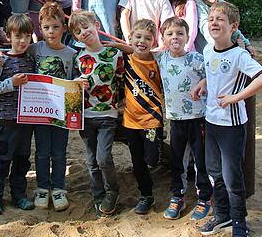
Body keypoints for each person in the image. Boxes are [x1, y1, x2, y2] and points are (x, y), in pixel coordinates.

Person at [191, 1, 262, 236]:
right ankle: (222, 216)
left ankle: (239, 223)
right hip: (212, 121)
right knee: (214, 173)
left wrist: (237, 97)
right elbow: (214, 72)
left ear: (233, 26)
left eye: (221, 19)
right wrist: (203, 83)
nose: (214, 23)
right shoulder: (207, 50)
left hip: (232, 125)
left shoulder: (239, 54)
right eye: (211, 19)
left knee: (232, 176)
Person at [69, 11, 125, 215]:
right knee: (91, 160)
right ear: (75, 37)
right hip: (86, 115)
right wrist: (75, 84)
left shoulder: (114, 54)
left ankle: (112, 190)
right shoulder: (78, 58)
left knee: (103, 158)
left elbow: (121, 81)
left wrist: (122, 105)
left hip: (108, 115)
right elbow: (70, 87)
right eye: (78, 31)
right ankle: (98, 193)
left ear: (97, 25)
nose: (83, 32)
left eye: (86, 27)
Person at [157, 17, 212, 221]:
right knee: (177, 160)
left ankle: (205, 198)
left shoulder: (197, 58)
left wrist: (205, 82)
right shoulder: (161, 59)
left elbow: (212, 75)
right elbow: (136, 50)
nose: (175, 37)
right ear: (162, 38)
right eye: (170, 34)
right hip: (176, 120)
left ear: (188, 37)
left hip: (198, 119)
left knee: (201, 161)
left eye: (180, 33)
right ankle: (178, 196)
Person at [0, 14, 37, 215]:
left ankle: (19, 195)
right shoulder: (1, 60)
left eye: (27, 36)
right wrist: (11, 84)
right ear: (8, 36)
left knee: (22, 159)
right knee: (1, 160)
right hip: (6, 120)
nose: (22, 41)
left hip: (26, 119)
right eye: (18, 36)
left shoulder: (32, 58)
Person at [30, 2, 76, 211]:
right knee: (41, 151)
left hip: (62, 112)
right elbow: (11, 51)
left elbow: (76, 80)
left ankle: (58, 187)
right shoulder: (35, 49)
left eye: (56, 27)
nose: (51, 32)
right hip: (39, 110)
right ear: (40, 28)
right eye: (46, 27)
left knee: (59, 151)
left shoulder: (71, 54)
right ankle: (42, 187)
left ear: (63, 28)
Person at [118, 19, 165, 215]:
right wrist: (116, 45)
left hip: (152, 119)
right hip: (131, 120)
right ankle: (146, 195)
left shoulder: (158, 62)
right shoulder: (126, 60)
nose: (142, 41)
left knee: (152, 159)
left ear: (154, 42)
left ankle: (159, 156)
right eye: (138, 37)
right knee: (137, 161)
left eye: (147, 38)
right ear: (131, 38)